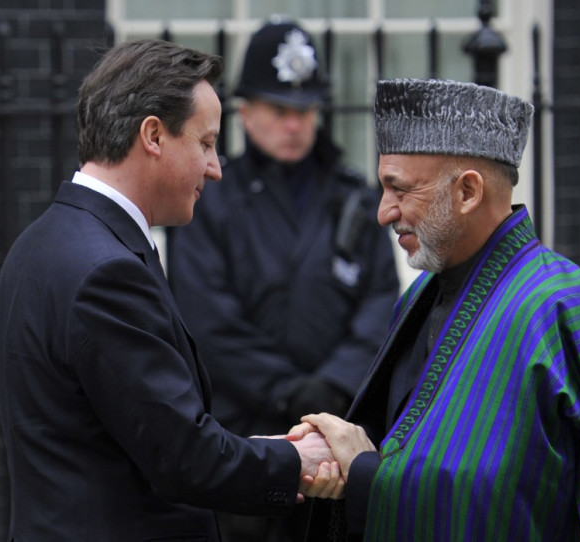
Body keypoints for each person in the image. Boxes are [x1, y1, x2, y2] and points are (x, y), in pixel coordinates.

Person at [0, 39, 344, 541]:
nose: (216, 167)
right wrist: (298, 458)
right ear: (153, 135)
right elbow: (186, 459)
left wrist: (254, 449)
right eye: (205, 142)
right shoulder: (107, 273)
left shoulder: (41, 243)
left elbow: (137, 436)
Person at [291, 78, 580, 541]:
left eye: (400, 189)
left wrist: (363, 471)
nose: (383, 212)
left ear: (468, 192)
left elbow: (498, 497)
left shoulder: (558, 305)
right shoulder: (422, 292)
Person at [166, 19, 400, 541]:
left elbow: (381, 303)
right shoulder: (211, 200)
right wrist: (288, 391)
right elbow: (206, 316)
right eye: (279, 110)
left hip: (337, 440)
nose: (294, 124)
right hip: (244, 439)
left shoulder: (355, 196)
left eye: (305, 110)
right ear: (245, 112)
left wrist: (331, 387)